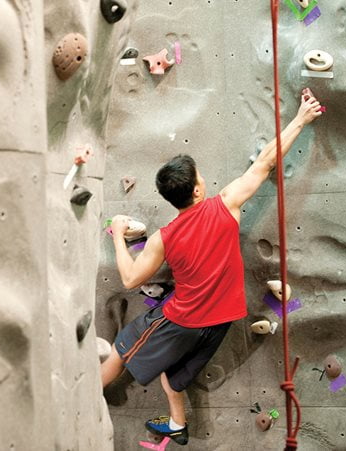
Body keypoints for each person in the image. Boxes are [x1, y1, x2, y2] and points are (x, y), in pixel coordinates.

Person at [100, 88, 323, 445]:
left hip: (182, 320)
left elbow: (130, 278)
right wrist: (301, 118)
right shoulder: (227, 204)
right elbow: (265, 162)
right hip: (222, 318)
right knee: (172, 377)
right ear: (198, 191)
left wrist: (117, 235)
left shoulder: (164, 238)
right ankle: (177, 426)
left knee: (123, 346)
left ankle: (89, 391)